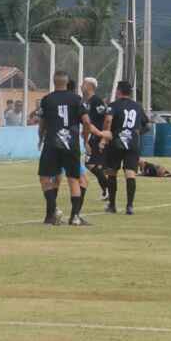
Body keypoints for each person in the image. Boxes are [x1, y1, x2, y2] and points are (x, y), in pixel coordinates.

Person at [37, 71, 103, 226]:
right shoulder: (77, 99)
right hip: (71, 144)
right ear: (67, 83)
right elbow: (86, 122)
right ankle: (74, 217)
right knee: (74, 180)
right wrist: (85, 139)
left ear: (54, 82)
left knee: (45, 177)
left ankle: (53, 211)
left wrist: (40, 138)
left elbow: (42, 122)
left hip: (52, 143)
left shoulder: (47, 99)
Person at [100, 80, 149, 215]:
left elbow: (108, 120)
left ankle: (112, 205)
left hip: (116, 142)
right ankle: (130, 206)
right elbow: (147, 125)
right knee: (130, 173)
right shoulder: (137, 106)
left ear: (119, 91)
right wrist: (136, 133)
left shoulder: (113, 105)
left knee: (112, 173)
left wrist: (105, 135)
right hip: (133, 142)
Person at [81, 77, 111, 201]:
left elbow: (106, 118)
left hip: (97, 137)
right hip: (92, 137)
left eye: (83, 84)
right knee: (93, 165)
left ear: (89, 86)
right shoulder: (87, 101)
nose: (81, 86)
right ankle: (107, 190)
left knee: (91, 164)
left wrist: (103, 137)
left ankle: (108, 189)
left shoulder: (96, 101)